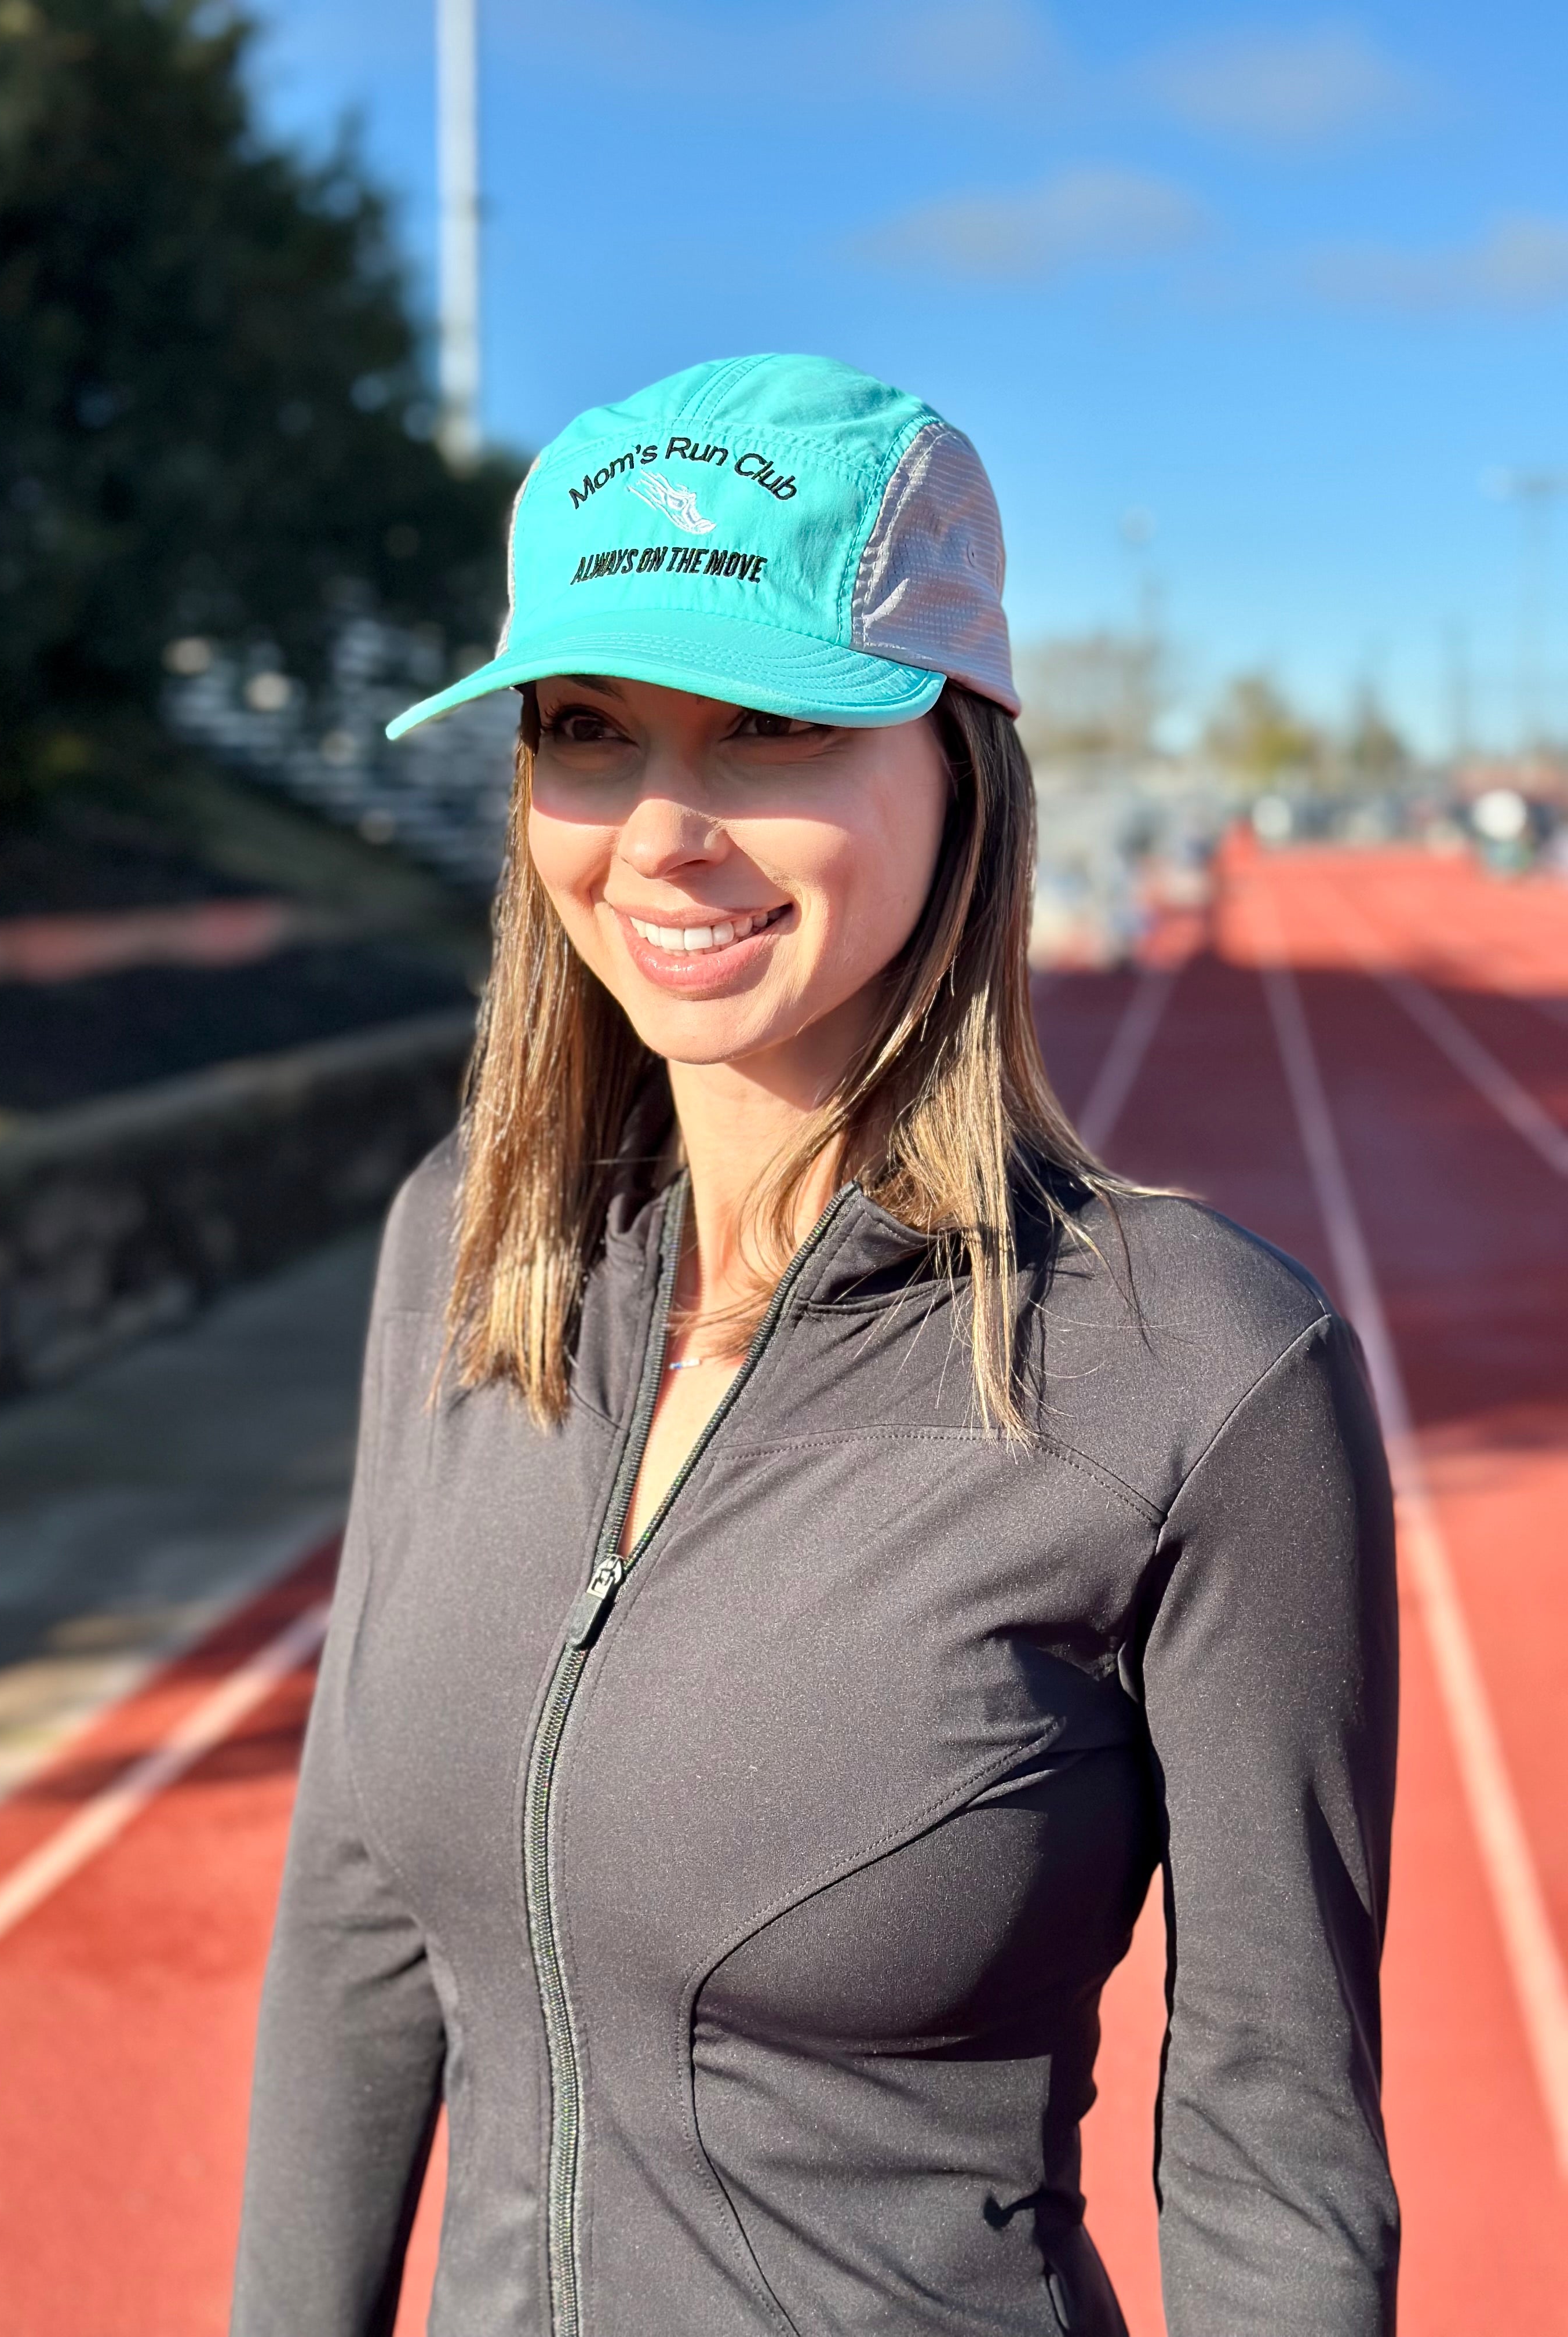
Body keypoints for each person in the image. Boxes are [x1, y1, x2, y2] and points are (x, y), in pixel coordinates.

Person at [228, 354, 1399, 2337]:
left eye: (769, 724)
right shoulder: (467, 1250)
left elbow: (1272, 2140)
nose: (663, 829)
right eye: (588, 731)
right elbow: (355, 1913)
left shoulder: (1200, 1377)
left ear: (962, 763)